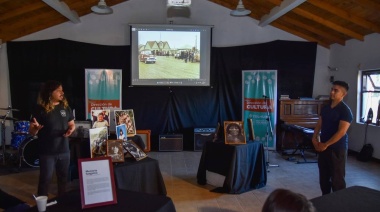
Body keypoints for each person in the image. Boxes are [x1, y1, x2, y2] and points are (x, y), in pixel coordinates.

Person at [28, 80, 75, 197]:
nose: (62, 92)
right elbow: (31, 132)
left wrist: (71, 130)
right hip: (47, 152)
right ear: (50, 92)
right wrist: (36, 129)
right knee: (45, 180)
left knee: (63, 179)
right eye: (58, 90)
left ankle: (62, 203)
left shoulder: (66, 108)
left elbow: (72, 124)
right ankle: (41, 205)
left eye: (62, 90)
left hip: (64, 150)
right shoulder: (40, 109)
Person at [312, 80, 353, 195]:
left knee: (337, 180)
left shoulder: (345, 111)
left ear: (343, 94)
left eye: (336, 90)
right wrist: (314, 138)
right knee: (324, 179)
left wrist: (326, 144)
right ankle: (326, 200)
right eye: (332, 89)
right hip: (324, 148)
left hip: (337, 149)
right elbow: (320, 124)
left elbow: (341, 132)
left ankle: (339, 204)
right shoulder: (326, 107)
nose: (332, 92)